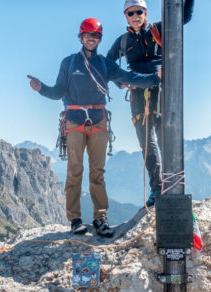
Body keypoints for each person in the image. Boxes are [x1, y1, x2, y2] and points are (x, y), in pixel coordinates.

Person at [28, 18, 161, 237]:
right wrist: (41, 88)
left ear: (100, 38)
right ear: (80, 37)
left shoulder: (105, 64)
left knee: (97, 172)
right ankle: (75, 219)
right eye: (87, 34)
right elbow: (58, 92)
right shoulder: (69, 63)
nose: (91, 38)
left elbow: (129, 77)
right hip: (74, 121)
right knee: (74, 171)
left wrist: (155, 79)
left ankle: (101, 218)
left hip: (98, 121)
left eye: (96, 35)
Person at [105, 0, 199, 208]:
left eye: (139, 12)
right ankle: (157, 187)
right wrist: (119, 82)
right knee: (147, 141)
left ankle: (171, 185)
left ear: (145, 13)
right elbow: (107, 63)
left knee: (166, 136)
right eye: (131, 13)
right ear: (126, 16)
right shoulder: (123, 42)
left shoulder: (158, 29)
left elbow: (183, 18)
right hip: (138, 91)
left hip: (160, 88)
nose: (135, 16)